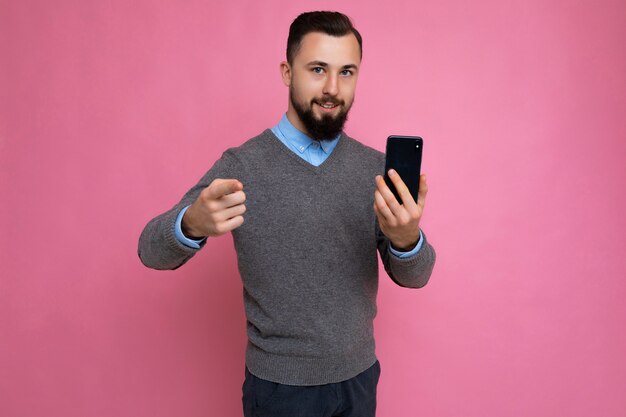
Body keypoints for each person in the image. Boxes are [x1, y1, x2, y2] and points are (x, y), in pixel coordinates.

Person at [138, 10, 436, 417]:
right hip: (280, 390)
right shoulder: (243, 166)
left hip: (360, 381)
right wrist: (191, 224)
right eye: (318, 69)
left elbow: (416, 276)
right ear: (286, 72)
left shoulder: (375, 170)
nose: (333, 88)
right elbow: (149, 250)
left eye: (346, 72)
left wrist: (406, 240)